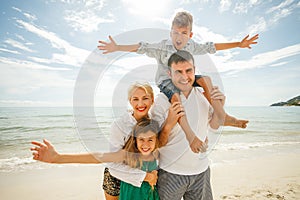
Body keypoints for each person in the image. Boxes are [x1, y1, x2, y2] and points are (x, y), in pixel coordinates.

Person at [98, 11, 257, 151]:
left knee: (206, 80)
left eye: (183, 33)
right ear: (170, 32)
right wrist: (117, 47)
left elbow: (211, 47)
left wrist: (238, 44)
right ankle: (190, 135)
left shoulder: (191, 45)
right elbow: (142, 47)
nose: (178, 37)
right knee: (175, 98)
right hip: (166, 81)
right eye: (175, 32)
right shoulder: (162, 47)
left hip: (185, 78)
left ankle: (223, 115)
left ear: (190, 35)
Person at [151, 50, 226, 200]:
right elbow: (157, 143)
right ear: (169, 73)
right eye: (178, 72)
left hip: (201, 172)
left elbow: (214, 126)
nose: (184, 76)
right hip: (171, 173)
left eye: (188, 70)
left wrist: (220, 108)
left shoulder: (204, 95)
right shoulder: (161, 101)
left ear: (195, 70)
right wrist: (169, 123)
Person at [30, 117, 162, 200]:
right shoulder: (129, 154)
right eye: (141, 140)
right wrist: (58, 158)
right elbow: (98, 157)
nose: (146, 144)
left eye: (150, 140)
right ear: (135, 140)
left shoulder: (157, 153)